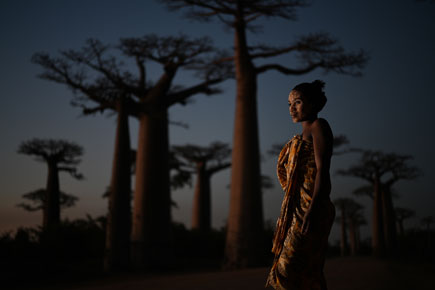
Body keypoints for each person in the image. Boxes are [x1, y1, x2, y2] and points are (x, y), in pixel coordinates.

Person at [266, 80, 335, 290]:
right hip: (298, 210)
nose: (292, 108)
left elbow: (323, 170)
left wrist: (312, 209)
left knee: (287, 270)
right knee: (307, 272)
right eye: (289, 104)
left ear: (313, 104)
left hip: (312, 207)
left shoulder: (318, 126)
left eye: (297, 102)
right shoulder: (297, 137)